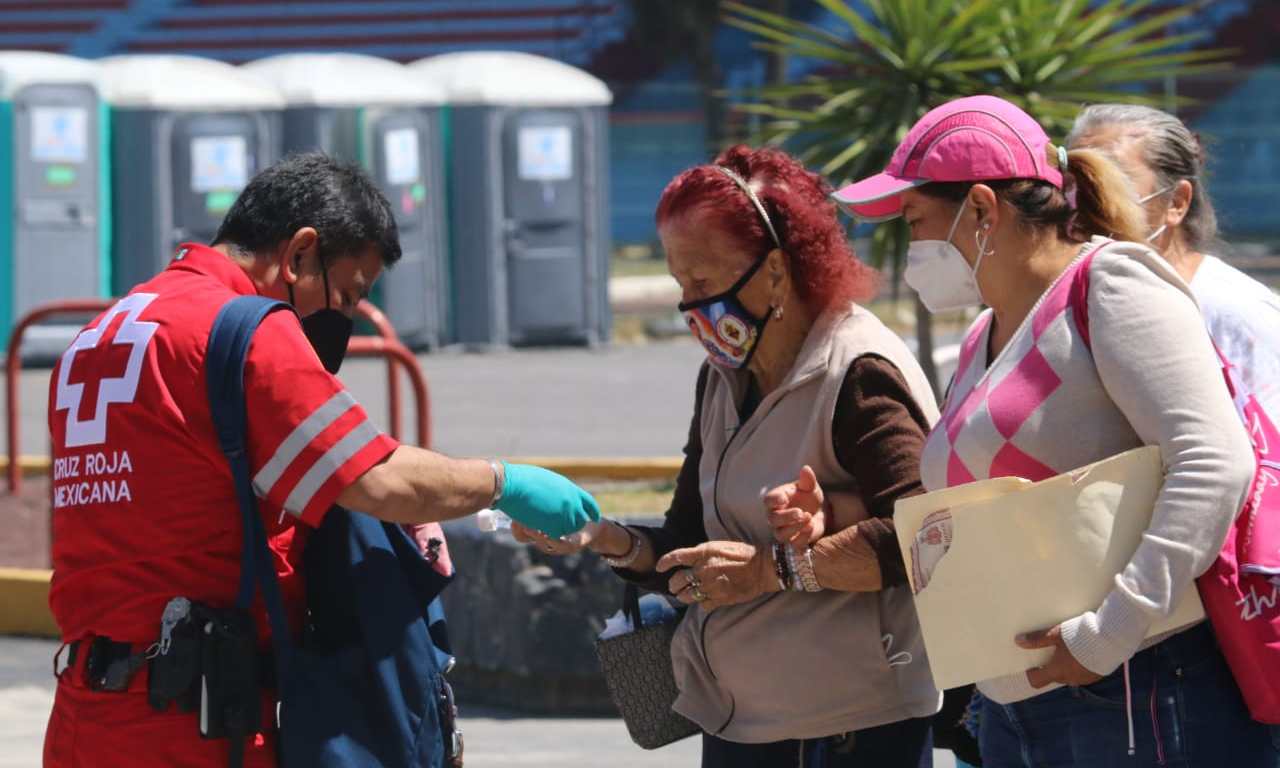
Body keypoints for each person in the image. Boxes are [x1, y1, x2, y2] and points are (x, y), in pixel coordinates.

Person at [43, 153, 599, 767]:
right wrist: (503, 481)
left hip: (83, 716)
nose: (342, 319)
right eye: (348, 294)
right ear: (301, 254)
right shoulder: (244, 328)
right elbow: (379, 479)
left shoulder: (102, 334)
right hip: (191, 730)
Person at [830, 95, 1274, 767]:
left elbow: (1214, 463)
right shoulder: (987, 329)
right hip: (1022, 702)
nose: (908, 248)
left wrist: (1107, 635)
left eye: (915, 221)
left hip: (1132, 687)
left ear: (982, 211)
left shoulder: (1111, 286)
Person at [516, 145, 942, 768]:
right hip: (741, 726)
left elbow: (924, 534)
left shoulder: (857, 371)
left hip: (850, 733)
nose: (690, 306)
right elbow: (691, 539)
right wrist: (603, 538)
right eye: (680, 284)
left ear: (775, 271)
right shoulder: (722, 376)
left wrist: (775, 570)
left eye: (705, 282)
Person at [1068, 103, 1280, 416]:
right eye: (1074, 184)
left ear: (1177, 202)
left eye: (1113, 181)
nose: (1082, 205)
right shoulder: (1074, 310)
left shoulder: (1236, 315)